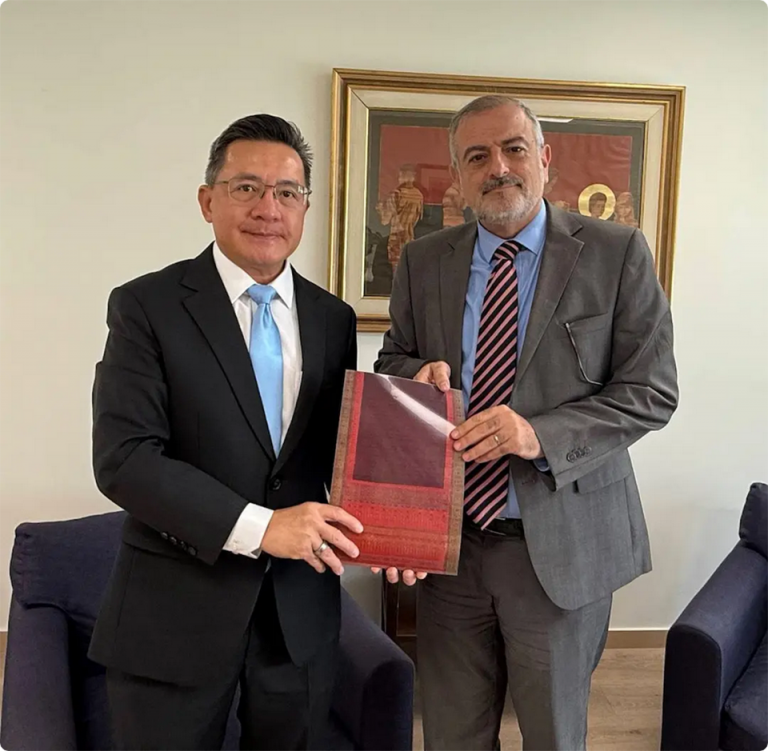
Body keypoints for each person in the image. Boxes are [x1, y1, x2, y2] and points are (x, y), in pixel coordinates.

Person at [374, 95, 678, 751]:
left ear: (544, 157)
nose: (498, 167)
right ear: (459, 177)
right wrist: (417, 371)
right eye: (477, 156)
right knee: (451, 734)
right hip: (450, 549)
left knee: (553, 736)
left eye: (513, 149)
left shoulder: (616, 252)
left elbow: (651, 392)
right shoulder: (423, 259)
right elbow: (392, 359)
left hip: (562, 547)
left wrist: (538, 435)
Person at [89, 114, 362, 751]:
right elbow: (125, 459)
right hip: (174, 613)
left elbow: (341, 452)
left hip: (298, 618)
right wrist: (262, 528)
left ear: (305, 208)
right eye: (246, 188)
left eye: (287, 192)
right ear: (208, 201)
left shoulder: (333, 318)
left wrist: (416, 409)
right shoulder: (146, 305)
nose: (269, 208)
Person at [378, 163, 424, 271]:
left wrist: (380, 208)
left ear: (403, 176)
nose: (398, 179)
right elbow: (417, 219)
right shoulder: (419, 195)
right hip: (410, 238)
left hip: (396, 238)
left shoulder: (396, 194)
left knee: (396, 271)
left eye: (400, 176)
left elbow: (385, 220)